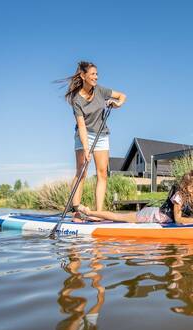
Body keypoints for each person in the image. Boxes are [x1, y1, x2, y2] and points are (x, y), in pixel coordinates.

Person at [62, 61, 126, 222]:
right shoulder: (76, 100)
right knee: (82, 171)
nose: (96, 77)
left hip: (101, 135)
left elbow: (122, 96)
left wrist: (116, 104)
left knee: (102, 173)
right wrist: (85, 147)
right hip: (84, 135)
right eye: (93, 74)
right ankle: (76, 210)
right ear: (83, 76)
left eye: (97, 74)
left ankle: (98, 213)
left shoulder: (101, 90)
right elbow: (82, 126)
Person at [78, 170, 193, 224]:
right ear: (190, 188)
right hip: (151, 216)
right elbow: (178, 219)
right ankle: (89, 212)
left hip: (158, 217)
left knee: (118, 218)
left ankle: (93, 217)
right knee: (119, 217)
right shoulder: (179, 196)